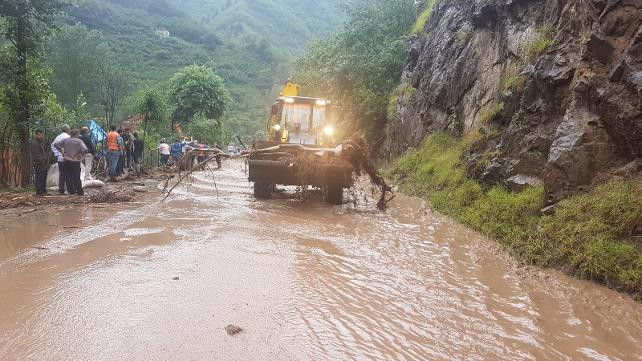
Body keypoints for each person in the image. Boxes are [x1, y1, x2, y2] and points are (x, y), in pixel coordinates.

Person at [54, 129, 88, 196]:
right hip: (75, 161)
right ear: (77, 134)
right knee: (76, 177)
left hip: (66, 161)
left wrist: (61, 151)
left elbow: (55, 144)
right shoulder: (79, 141)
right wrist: (80, 154)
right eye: (78, 134)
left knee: (68, 177)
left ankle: (71, 191)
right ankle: (80, 192)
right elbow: (85, 149)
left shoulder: (65, 140)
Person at [51, 124, 70, 195]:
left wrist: (57, 154)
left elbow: (53, 145)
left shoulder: (58, 137)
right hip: (68, 158)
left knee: (62, 174)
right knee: (68, 174)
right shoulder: (68, 137)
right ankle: (69, 189)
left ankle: (61, 190)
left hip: (60, 159)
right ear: (68, 130)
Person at [30, 129, 48, 196]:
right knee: (39, 177)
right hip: (38, 163)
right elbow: (36, 154)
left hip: (42, 162)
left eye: (43, 135)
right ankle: (39, 191)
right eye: (40, 135)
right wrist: (42, 161)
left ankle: (43, 190)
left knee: (43, 176)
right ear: (37, 135)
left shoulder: (39, 142)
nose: (42, 136)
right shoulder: (34, 143)